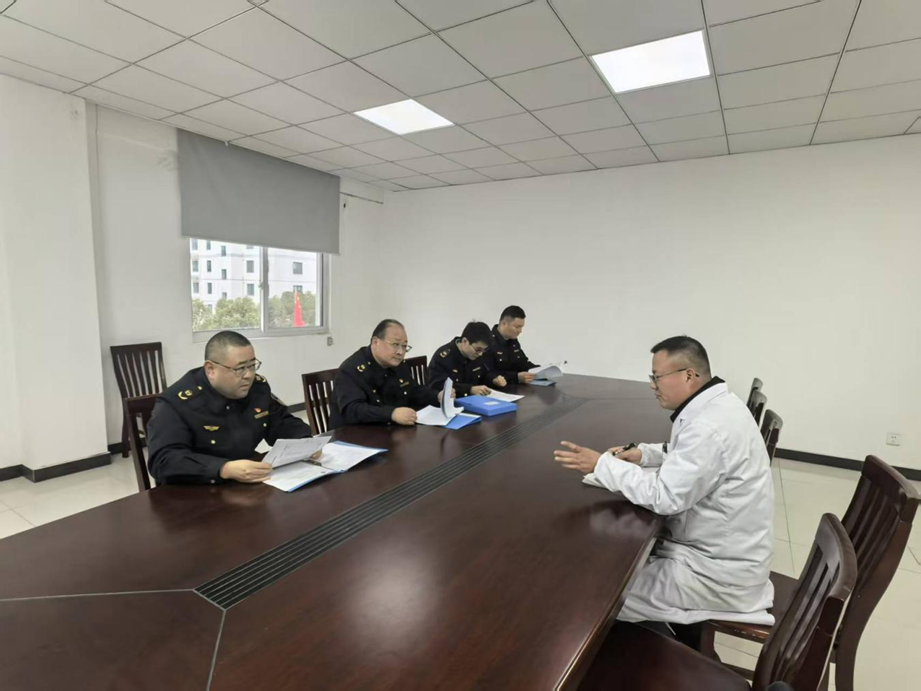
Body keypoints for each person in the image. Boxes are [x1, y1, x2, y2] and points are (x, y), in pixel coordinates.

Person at [553, 336, 774, 628]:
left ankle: (638, 650)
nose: (652, 385)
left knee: (597, 594)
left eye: (657, 377)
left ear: (689, 376)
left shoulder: (709, 427)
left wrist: (601, 465)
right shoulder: (718, 406)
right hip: (715, 553)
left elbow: (665, 497)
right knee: (609, 568)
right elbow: (687, 453)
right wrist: (644, 454)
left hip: (716, 576)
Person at [147, 331, 312, 485]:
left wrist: (305, 442)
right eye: (240, 368)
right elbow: (163, 460)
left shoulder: (257, 388)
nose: (249, 375)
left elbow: (280, 422)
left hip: (245, 482)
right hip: (195, 488)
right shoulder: (177, 402)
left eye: (252, 365)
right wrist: (223, 469)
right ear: (211, 369)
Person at [330, 319, 448, 428]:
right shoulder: (351, 369)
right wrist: (391, 413)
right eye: (395, 344)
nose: (400, 352)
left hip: (388, 429)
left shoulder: (397, 364)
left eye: (404, 346)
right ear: (375, 342)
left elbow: (413, 391)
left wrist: (436, 396)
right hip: (354, 434)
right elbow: (353, 410)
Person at [428, 321, 507, 397]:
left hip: (474, 400)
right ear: (464, 341)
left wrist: (493, 379)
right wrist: (469, 390)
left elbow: (483, 374)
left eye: (484, 350)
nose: (480, 354)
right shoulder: (444, 358)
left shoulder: (477, 354)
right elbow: (437, 386)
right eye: (478, 349)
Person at [482, 305, 537, 386]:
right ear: (504, 324)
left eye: (521, 327)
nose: (520, 331)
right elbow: (488, 374)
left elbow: (523, 363)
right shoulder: (487, 342)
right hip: (497, 389)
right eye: (517, 327)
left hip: (516, 388)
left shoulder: (513, 341)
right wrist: (516, 377)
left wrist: (540, 370)